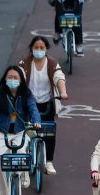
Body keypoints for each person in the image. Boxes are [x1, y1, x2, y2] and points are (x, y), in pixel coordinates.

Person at [0, 65, 42, 195]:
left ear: (21, 80)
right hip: (1, 132)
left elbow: (33, 109)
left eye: (15, 77)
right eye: (9, 77)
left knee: (21, 157)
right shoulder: (0, 94)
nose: (12, 80)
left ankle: (22, 174)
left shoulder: (26, 95)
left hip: (21, 131)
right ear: (5, 79)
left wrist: (37, 122)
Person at [19, 36, 69, 173]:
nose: (39, 50)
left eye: (42, 48)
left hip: (47, 103)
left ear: (46, 49)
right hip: (29, 104)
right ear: (31, 49)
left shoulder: (52, 63)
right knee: (26, 132)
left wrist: (63, 92)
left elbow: (59, 77)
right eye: (36, 47)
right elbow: (20, 77)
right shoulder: (25, 63)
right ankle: (26, 157)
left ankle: (48, 162)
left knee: (49, 133)